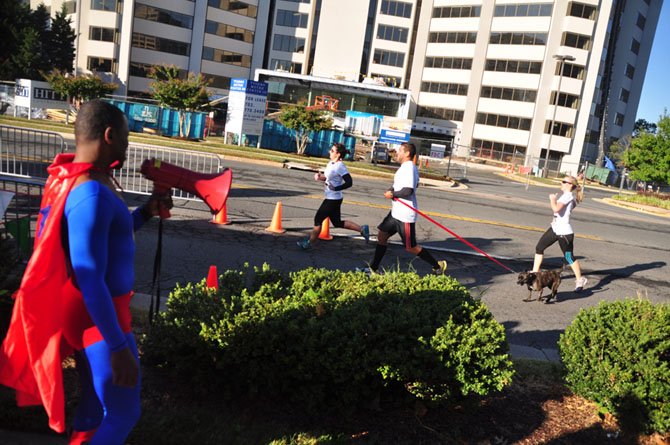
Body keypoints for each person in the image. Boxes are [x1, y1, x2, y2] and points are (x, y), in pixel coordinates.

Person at [0, 100, 170, 444]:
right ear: (109, 136)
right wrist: (119, 344)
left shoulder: (78, 181)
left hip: (87, 312)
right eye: (124, 138)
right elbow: (89, 272)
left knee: (94, 408)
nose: (127, 146)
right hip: (100, 316)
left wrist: (146, 213)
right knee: (123, 413)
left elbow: (104, 238)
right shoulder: (91, 192)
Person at [358, 143, 447, 275]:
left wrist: (393, 194)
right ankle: (373, 269)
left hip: (405, 216)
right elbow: (405, 185)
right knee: (382, 236)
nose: (397, 153)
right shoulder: (405, 168)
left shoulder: (409, 168)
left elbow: (408, 191)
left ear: (407, 154)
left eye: (400, 151)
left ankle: (438, 266)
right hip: (395, 213)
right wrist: (391, 189)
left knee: (411, 247)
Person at [297, 143, 369, 249]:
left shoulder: (340, 166)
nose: (329, 152)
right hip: (333, 198)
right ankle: (362, 229)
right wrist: (320, 177)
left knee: (318, 219)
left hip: (333, 199)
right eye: (330, 150)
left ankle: (309, 243)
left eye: (332, 150)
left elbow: (349, 182)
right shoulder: (331, 163)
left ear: (338, 154)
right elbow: (328, 178)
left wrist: (336, 188)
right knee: (337, 222)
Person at [532, 175, 588, 292]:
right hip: (555, 228)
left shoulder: (567, 196)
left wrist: (552, 199)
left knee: (568, 257)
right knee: (539, 247)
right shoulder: (569, 196)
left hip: (564, 233)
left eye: (564, 181)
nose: (561, 183)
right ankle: (534, 274)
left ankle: (580, 279)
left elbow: (556, 209)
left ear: (569, 185)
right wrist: (576, 178)